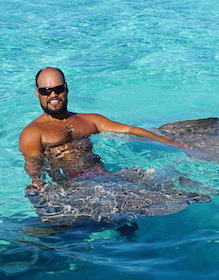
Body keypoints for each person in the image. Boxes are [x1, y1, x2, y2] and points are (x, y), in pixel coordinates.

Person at [19, 67, 186, 195]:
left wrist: (172, 143)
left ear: (66, 89)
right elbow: (33, 163)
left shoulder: (89, 120)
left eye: (58, 89)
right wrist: (36, 182)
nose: (53, 95)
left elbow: (129, 130)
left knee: (166, 181)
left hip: (104, 178)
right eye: (45, 91)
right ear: (37, 94)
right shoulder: (33, 132)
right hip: (73, 188)